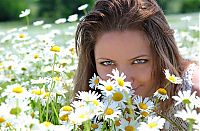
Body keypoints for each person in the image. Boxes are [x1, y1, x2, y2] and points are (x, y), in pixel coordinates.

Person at [74, 0, 199, 130]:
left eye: (139, 61)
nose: (124, 81)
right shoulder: (92, 108)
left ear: (163, 55)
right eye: (107, 63)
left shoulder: (195, 96)